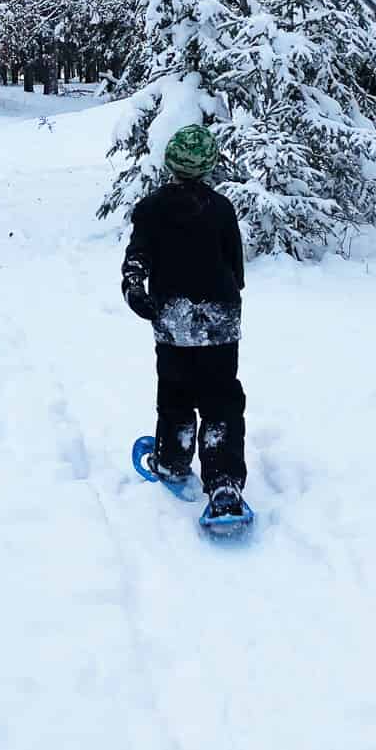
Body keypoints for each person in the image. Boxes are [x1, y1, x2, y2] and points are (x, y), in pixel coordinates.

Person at [121, 124, 248, 520]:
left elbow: (136, 261)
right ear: (209, 166)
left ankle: (173, 461)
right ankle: (224, 480)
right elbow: (237, 270)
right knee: (221, 400)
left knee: (175, 394)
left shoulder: (151, 208)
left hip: (173, 318)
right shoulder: (222, 208)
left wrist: (135, 292)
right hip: (220, 319)